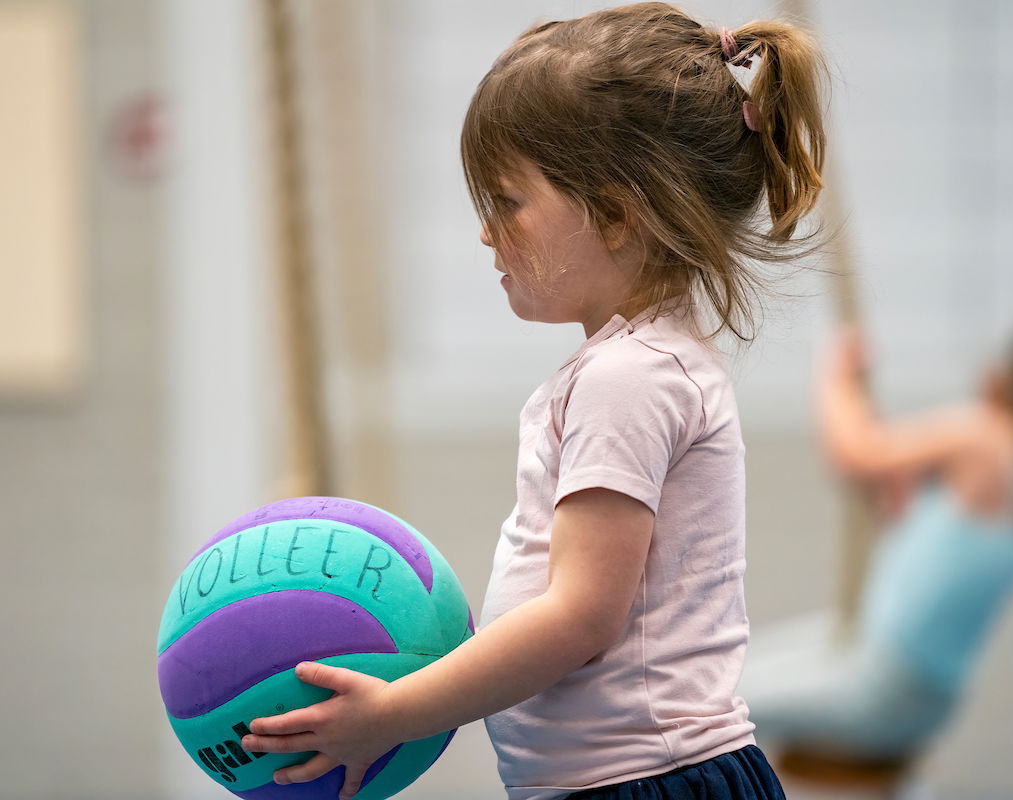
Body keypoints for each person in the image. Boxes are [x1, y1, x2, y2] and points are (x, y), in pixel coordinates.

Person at [240, 4, 828, 798]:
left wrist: (395, 713)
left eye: (508, 200)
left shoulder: (629, 378)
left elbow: (580, 619)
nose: (488, 233)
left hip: (649, 783)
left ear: (617, 214)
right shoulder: (642, 365)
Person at [742, 323, 1013, 763]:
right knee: (728, 675)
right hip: (925, 697)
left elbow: (854, 455)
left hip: (882, 683)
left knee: (713, 705)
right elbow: (922, 543)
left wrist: (835, 370)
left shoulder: (989, 436)